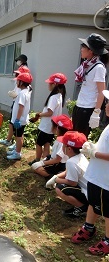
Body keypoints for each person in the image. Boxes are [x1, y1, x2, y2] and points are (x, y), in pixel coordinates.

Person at [70, 90, 109, 255]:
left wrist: (95, 154)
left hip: (106, 179)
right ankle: (88, 227)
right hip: (97, 174)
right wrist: (92, 147)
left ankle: (108, 240)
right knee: (93, 202)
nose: (106, 105)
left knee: (108, 211)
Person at [72, 33, 109, 137]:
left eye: (83, 47)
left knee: (79, 140)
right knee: (73, 136)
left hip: (88, 108)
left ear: (91, 50)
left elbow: (102, 92)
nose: (81, 49)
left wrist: (96, 113)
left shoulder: (99, 67)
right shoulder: (87, 65)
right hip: (80, 105)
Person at [45, 131, 89, 218]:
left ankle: (82, 208)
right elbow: (67, 172)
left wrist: (56, 180)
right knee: (59, 175)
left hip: (87, 193)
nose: (62, 147)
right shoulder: (80, 156)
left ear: (69, 149)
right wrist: (56, 177)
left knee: (60, 188)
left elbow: (72, 183)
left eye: (63, 145)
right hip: (90, 190)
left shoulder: (71, 162)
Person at [28, 73, 67, 165]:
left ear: (55, 84)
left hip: (45, 126)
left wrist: (39, 114)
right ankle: (45, 161)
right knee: (47, 144)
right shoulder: (60, 96)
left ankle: (37, 160)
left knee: (38, 143)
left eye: (50, 83)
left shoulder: (53, 97)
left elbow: (50, 112)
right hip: (52, 127)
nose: (48, 85)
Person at [0, 59, 30, 149]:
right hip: (17, 107)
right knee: (16, 130)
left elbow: (22, 105)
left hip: (19, 114)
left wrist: (17, 119)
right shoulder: (22, 87)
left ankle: (17, 149)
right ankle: (14, 145)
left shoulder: (24, 90)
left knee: (18, 133)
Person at [31, 114, 72, 180]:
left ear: (57, 128)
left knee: (36, 168)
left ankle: (52, 177)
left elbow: (57, 159)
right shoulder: (61, 138)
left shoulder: (62, 142)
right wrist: (46, 159)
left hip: (58, 164)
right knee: (37, 165)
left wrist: (43, 163)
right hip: (55, 161)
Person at [6, 72, 33, 160]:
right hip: (22, 119)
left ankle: (17, 153)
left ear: (21, 83)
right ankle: (17, 150)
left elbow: (21, 107)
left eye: (18, 81)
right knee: (20, 135)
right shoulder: (27, 90)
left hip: (19, 120)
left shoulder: (22, 94)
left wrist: (17, 119)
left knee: (18, 137)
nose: (16, 83)